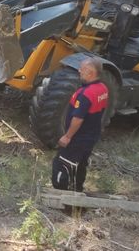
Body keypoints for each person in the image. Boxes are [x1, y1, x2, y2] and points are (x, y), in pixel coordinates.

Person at [52, 58, 108, 192]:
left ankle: (62, 193)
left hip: (78, 138)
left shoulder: (86, 94)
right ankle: (77, 190)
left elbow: (78, 119)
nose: (79, 71)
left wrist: (67, 136)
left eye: (81, 69)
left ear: (90, 72)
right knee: (80, 165)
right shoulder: (103, 88)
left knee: (62, 165)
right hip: (91, 136)